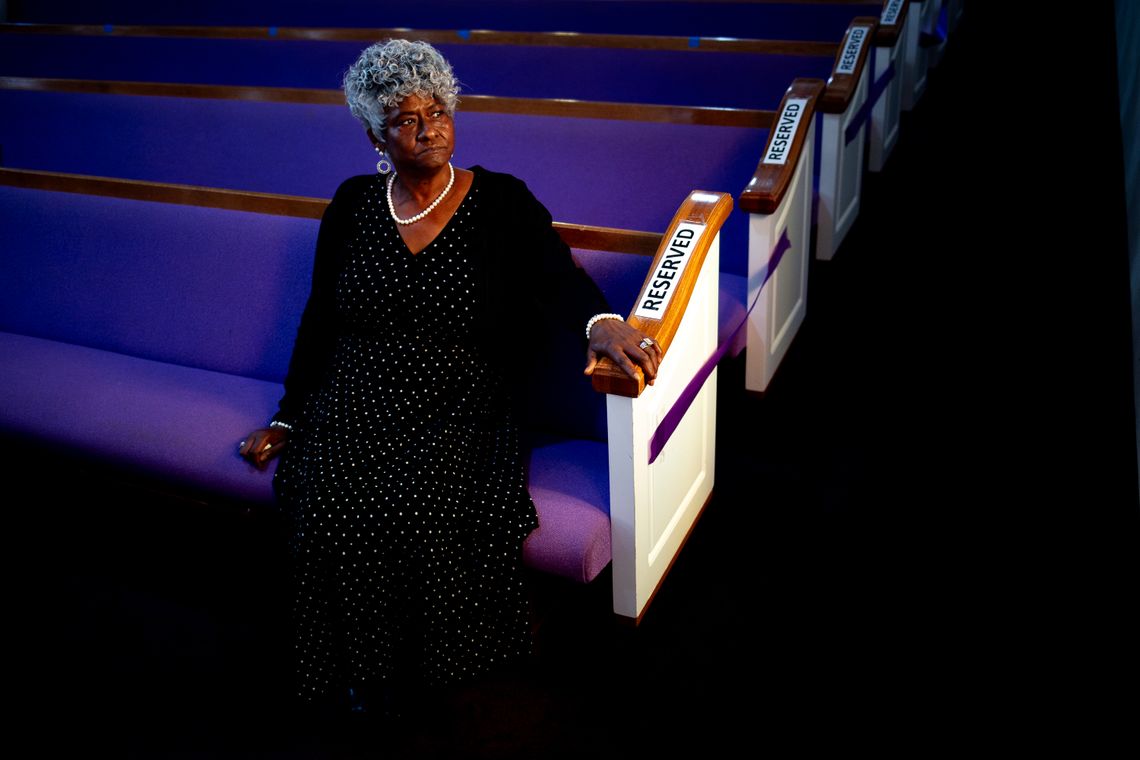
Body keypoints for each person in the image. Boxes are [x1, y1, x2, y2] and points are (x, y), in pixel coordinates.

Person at [238, 39, 660, 716]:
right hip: (357, 390)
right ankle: (352, 669)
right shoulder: (352, 204)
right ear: (376, 133)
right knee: (323, 493)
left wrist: (601, 325)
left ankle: (410, 670)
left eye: (438, 110)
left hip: (461, 398)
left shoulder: (501, 201)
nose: (428, 126)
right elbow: (321, 318)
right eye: (407, 118)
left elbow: (558, 278)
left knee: (415, 505)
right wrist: (289, 414)